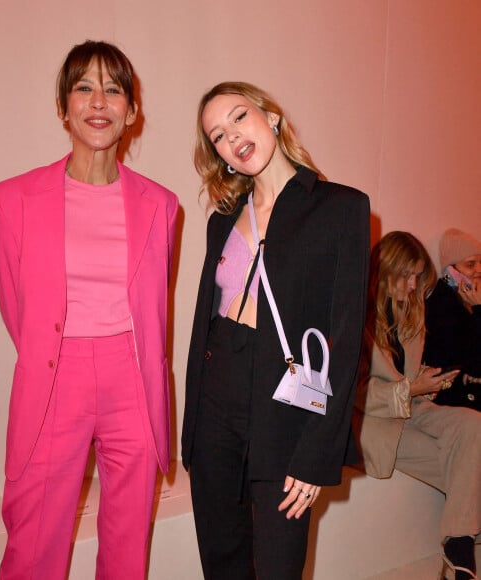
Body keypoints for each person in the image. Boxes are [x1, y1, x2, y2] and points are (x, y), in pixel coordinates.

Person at [0, 40, 179, 580]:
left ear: (131, 112)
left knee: (127, 538)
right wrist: (59, 348)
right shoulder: (11, 200)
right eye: (84, 87)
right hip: (55, 373)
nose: (99, 101)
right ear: (63, 106)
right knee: (35, 538)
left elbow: (153, 305)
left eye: (114, 89)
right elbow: (14, 304)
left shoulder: (162, 205)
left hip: (133, 379)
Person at [181, 81, 370, 578]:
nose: (233, 137)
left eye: (239, 117)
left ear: (271, 116)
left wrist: (317, 453)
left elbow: (346, 341)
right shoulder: (222, 219)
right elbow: (206, 323)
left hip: (283, 407)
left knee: (278, 565)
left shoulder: (341, 208)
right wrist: (194, 429)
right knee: (222, 562)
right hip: (216, 402)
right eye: (218, 136)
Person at [354, 231, 481, 580]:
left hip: (413, 410)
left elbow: (405, 374)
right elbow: (358, 393)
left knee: (472, 424)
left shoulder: (410, 310)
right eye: (407, 275)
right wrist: (411, 388)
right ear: (386, 270)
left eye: (417, 276)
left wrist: (427, 382)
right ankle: (461, 549)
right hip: (376, 423)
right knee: (466, 471)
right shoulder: (358, 317)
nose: (413, 285)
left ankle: (458, 542)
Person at [423, 227, 481, 411]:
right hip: (452, 399)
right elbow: (472, 362)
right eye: (470, 265)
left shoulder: (468, 300)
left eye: (480, 263)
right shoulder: (441, 305)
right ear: (450, 271)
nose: (478, 270)